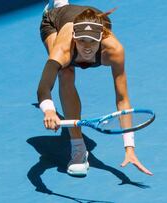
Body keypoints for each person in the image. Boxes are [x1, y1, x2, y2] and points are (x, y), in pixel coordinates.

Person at [37, 0, 153, 176]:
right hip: (55, 22)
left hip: (90, 17)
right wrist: (49, 110)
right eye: (82, 40)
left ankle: (63, 6)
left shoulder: (114, 51)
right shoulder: (64, 48)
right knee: (66, 73)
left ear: (101, 37)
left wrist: (129, 148)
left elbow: (122, 99)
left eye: (92, 41)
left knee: (69, 66)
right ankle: (78, 149)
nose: (87, 47)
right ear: (74, 37)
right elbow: (43, 87)